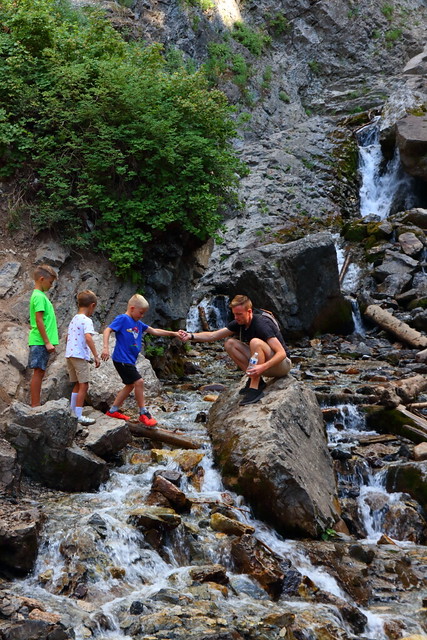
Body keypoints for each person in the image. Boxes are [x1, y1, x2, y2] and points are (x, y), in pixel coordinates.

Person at [179, 294, 291, 406]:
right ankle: (258, 381)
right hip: (262, 365)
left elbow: (281, 353)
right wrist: (190, 336)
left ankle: (254, 388)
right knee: (230, 343)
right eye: (234, 314)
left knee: (255, 342)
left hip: (281, 365)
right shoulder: (239, 323)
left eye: (239, 314)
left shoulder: (261, 324)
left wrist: (262, 367)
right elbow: (213, 336)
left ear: (249, 311)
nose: (236, 318)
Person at [101, 294, 182, 426]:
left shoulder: (138, 323)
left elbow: (155, 331)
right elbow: (107, 330)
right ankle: (143, 413)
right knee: (139, 381)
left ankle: (113, 410)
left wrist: (174, 333)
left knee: (130, 385)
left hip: (129, 360)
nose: (142, 315)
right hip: (122, 359)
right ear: (132, 308)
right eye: (141, 312)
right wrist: (105, 348)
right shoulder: (123, 319)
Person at [65, 290, 100, 426]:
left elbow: (68, 337)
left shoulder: (74, 319)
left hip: (70, 354)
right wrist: (95, 355)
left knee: (77, 384)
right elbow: (88, 338)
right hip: (80, 355)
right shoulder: (87, 320)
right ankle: (78, 415)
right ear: (92, 305)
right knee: (84, 384)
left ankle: (73, 411)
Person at [28, 264, 59, 407]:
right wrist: (47, 342)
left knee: (40, 372)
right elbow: (39, 320)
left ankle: (36, 403)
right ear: (42, 279)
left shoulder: (40, 296)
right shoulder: (39, 297)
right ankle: (35, 404)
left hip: (42, 341)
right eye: (50, 282)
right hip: (40, 341)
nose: (51, 286)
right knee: (38, 372)